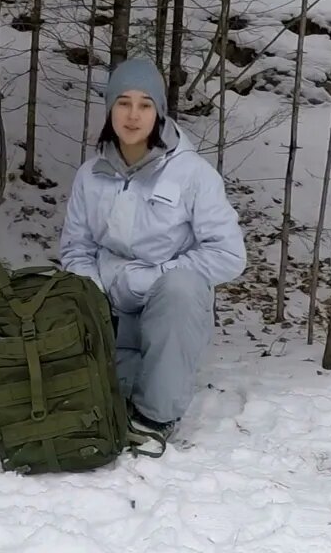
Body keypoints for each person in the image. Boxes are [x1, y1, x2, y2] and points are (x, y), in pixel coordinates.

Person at [58, 58, 247, 442]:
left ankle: (155, 417)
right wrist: (91, 290)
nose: (133, 115)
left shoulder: (193, 175)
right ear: (110, 109)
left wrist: (151, 278)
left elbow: (228, 255)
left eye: (145, 104)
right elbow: (77, 248)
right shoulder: (89, 175)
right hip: (107, 310)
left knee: (182, 288)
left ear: (159, 112)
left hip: (164, 312)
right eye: (123, 103)